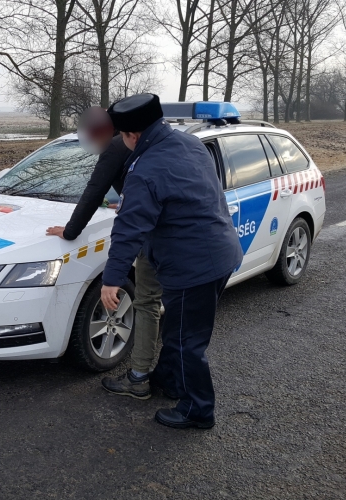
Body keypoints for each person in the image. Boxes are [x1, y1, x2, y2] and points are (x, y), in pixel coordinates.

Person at [100, 93, 243, 430]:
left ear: (132, 135)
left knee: (185, 341)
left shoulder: (145, 169)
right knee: (179, 330)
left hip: (193, 266)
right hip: (219, 254)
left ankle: (198, 410)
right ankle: (170, 381)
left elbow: (128, 230)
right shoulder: (189, 143)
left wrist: (112, 279)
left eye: (122, 137)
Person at [46, 107, 163, 400]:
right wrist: (126, 199)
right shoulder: (164, 142)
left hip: (156, 236)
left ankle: (140, 377)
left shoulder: (116, 147)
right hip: (186, 237)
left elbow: (95, 190)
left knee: (147, 301)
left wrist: (70, 231)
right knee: (171, 302)